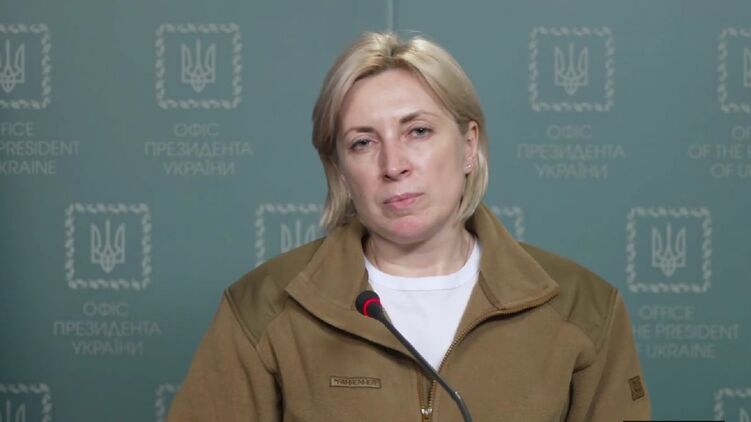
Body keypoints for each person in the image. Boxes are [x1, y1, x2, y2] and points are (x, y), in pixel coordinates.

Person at [168, 32, 651, 421]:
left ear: (468, 146)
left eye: (417, 131)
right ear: (340, 171)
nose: (393, 164)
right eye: (362, 143)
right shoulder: (264, 308)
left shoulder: (584, 309)